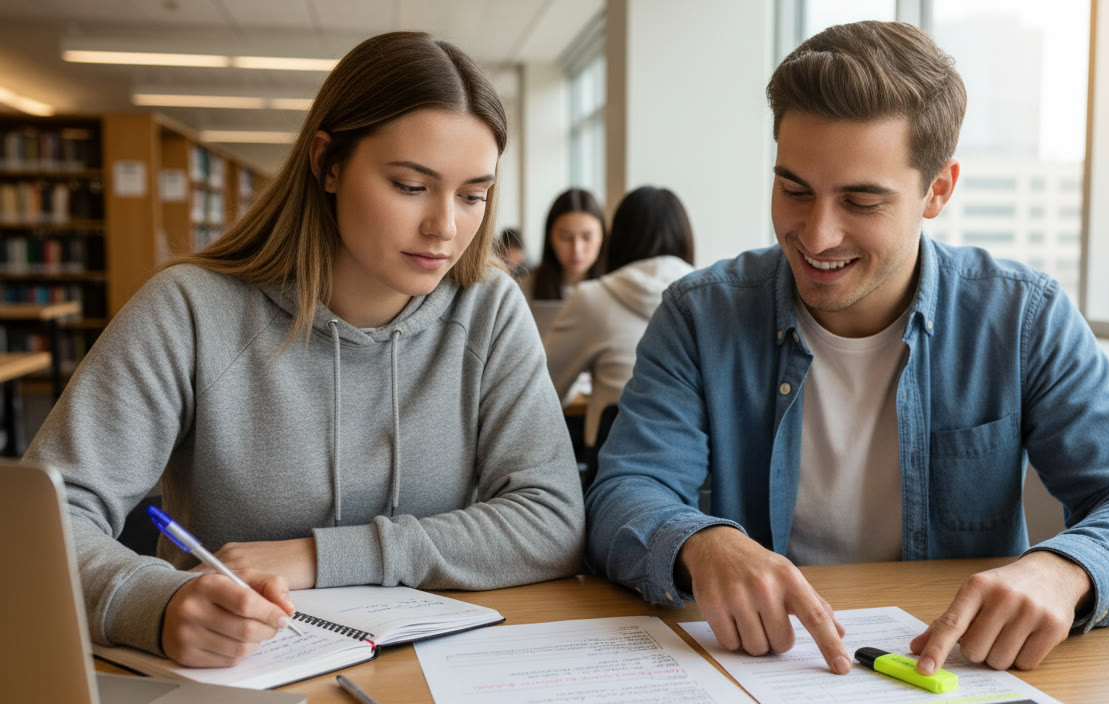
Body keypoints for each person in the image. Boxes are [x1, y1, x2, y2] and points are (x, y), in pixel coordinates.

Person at [586, 21, 1109, 678]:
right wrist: (701, 543)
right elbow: (625, 490)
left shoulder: (1022, 316)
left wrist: (1066, 569)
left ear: (938, 190)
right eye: (794, 189)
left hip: (949, 678)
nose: (816, 235)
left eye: (861, 200)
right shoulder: (700, 313)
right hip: (767, 673)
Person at [23, 31, 584, 668]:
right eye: (409, 185)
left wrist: (321, 556)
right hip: (235, 675)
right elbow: (44, 520)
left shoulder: (487, 307)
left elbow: (552, 521)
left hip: (433, 680)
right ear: (328, 163)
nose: (445, 227)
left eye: (472, 195)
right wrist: (157, 603)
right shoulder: (190, 310)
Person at [543, 185, 695, 448]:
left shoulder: (593, 298)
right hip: (700, 470)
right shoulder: (710, 295)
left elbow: (542, 390)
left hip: (613, 464)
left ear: (613, 238)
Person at [521, 188, 607, 301]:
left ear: (602, 236)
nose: (577, 249)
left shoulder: (618, 290)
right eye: (566, 237)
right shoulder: (524, 289)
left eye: (586, 237)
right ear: (550, 237)